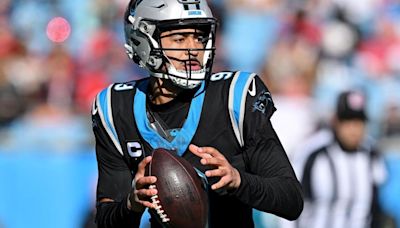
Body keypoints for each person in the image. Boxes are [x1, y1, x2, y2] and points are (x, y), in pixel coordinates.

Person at [91, 0, 303, 227]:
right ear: (143, 42)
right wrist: (131, 204)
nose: (194, 49)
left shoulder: (234, 98)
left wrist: (238, 181)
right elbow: (105, 220)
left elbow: (291, 200)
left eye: (200, 37)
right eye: (180, 39)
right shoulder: (116, 109)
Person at [287, 90, 387, 228]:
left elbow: (376, 208)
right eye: (347, 121)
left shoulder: (372, 156)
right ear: (336, 122)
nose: (353, 129)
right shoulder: (314, 153)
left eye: (358, 121)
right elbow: (290, 202)